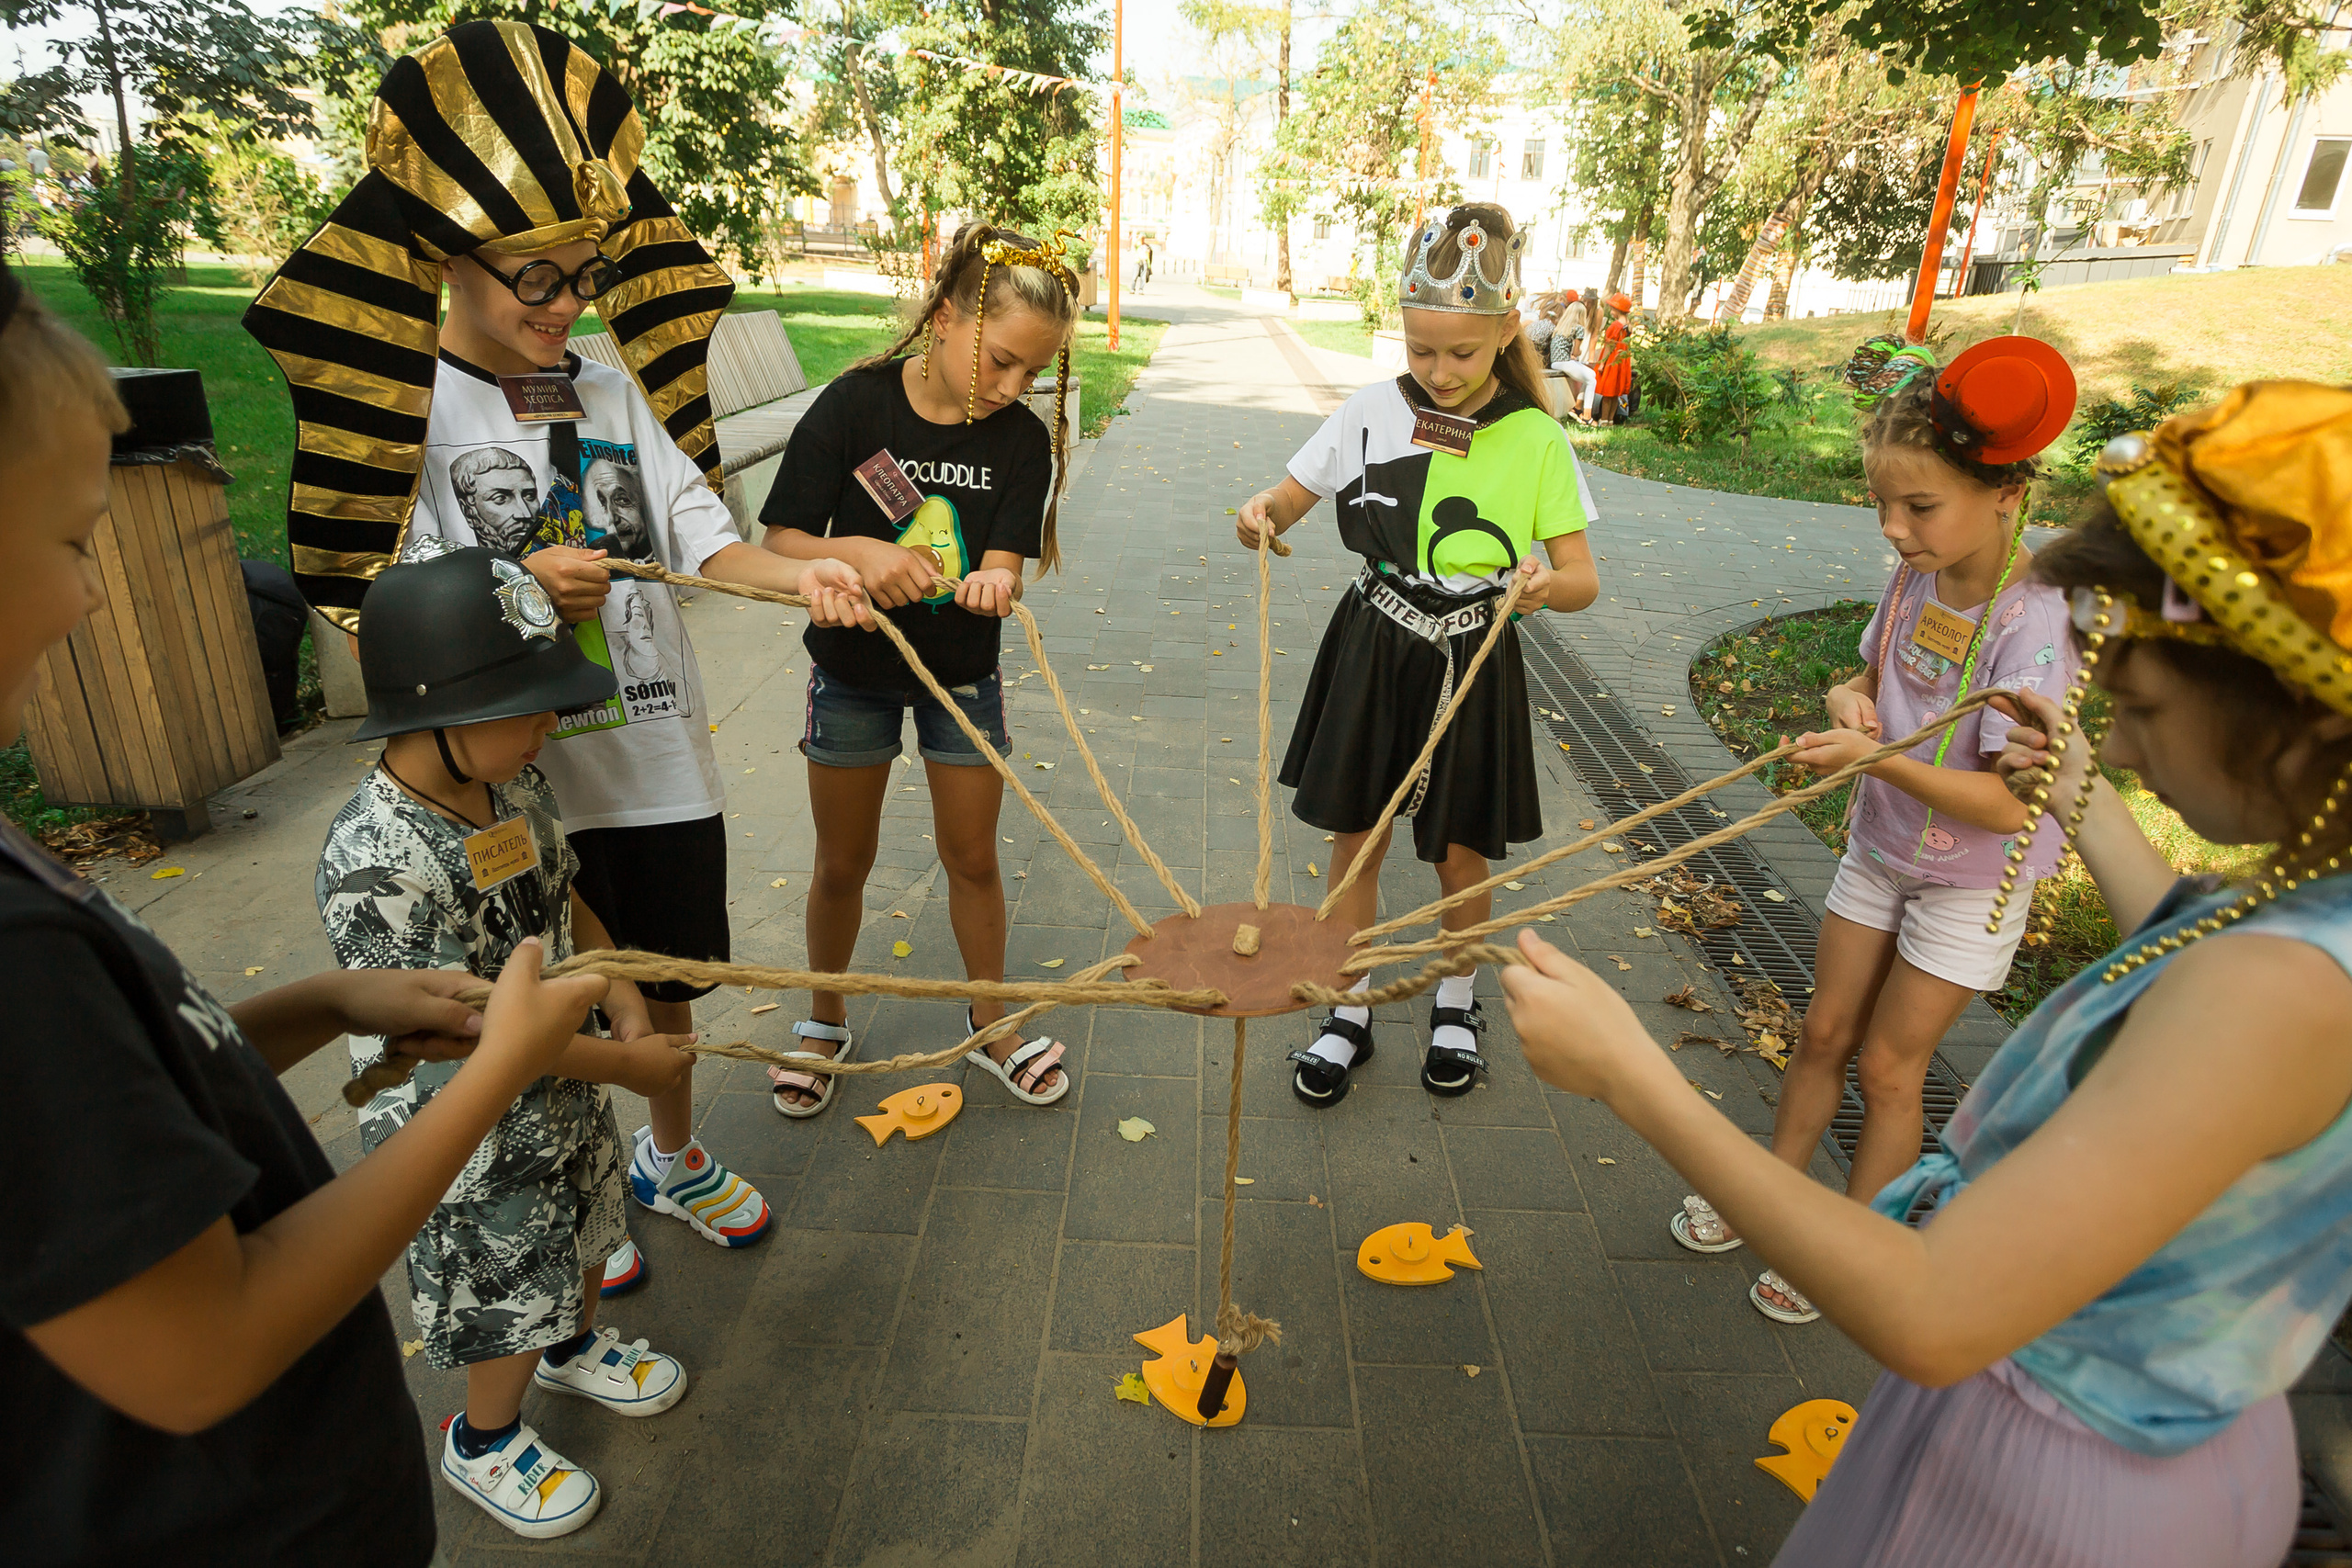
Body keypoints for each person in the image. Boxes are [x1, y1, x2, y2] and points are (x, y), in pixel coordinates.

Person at [1504, 378, 2352, 1566]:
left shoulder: (2283, 992)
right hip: (2126, 1438)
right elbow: (2183, 935)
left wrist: (1633, 1076)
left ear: (2307, 722)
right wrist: (2079, 797)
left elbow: (1937, 1309)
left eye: (2145, 706)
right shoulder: (2313, 918)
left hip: (2063, 1486)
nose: (2114, 731)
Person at [245, 20, 868, 1290]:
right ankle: (579, 1194)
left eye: (584, 272)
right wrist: (520, 584)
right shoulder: (411, 417)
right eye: (537, 278)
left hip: (656, 754)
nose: (569, 303)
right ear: (446, 257)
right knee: (557, 993)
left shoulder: (609, 387)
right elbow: (394, 606)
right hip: (525, 778)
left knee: (673, 976)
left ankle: (673, 1157)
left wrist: (805, 575)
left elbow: (699, 532)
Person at [2, 270, 608, 1563]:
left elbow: (134, 1081)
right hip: (236, 1521)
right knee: (505, 1267)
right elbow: (200, 1346)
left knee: (562, 1243)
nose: (92, 598)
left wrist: (320, 1001)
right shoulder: (15, 952)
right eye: (68, 544)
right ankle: (490, 1432)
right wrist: (504, 1057)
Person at [1668, 338, 2081, 1325]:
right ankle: (1771, 1200)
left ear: (2006, 492)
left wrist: (1873, 760)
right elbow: (1866, 679)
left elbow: (2008, 803)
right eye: (1881, 507)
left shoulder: (2033, 627)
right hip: (1882, 848)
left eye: (1919, 508)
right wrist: (1849, 703)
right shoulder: (1914, 579)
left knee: (1891, 1069)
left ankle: (1850, 1254)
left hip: (1968, 881)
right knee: (1820, 1032)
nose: (1895, 531)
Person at [319, 546, 712, 1538]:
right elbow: (467, 1035)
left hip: (563, 1085)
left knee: (585, 1223)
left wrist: (614, 976)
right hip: (470, 1126)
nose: (553, 723)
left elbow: (565, 886)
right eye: (533, 705)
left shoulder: (514, 787)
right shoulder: (377, 857)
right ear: (437, 714)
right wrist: (624, 1061)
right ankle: (485, 1437)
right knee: (508, 1278)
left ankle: (573, 1346)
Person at [1233, 203, 1600, 1107]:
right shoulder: (1367, 412)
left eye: (1460, 355)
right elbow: (1288, 497)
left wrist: (1541, 588)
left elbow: (1582, 576)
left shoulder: (1535, 435)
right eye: (1419, 350)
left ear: (1505, 331)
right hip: (1373, 642)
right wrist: (1258, 518)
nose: (1437, 373)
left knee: (1459, 850)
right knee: (1354, 841)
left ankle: (1453, 1002)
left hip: (1473, 654)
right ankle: (1348, 1010)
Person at [759, 222, 1083, 1114]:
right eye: (1004, 361)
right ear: (946, 319)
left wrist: (991, 583)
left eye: (1033, 373)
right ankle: (823, 1019)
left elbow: (1007, 564)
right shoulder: (856, 406)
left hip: (961, 679)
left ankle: (992, 1024)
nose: (1014, 388)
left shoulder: (1018, 439)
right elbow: (781, 538)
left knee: (972, 855)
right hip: (852, 673)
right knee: (841, 861)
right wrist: (859, 551)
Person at [1549, 289, 1596, 424]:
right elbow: (1576, 352)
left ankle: (1577, 408)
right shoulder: (1578, 328)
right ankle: (1587, 416)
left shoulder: (1561, 326)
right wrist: (1578, 354)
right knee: (1592, 381)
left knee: (1591, 375)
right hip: (1565, 362)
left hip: (1555, 362)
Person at [1589, 292, 1636, 423]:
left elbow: (1609, 346)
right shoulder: (1628, 325)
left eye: (1612, 308)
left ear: (1617, 309)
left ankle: (1603, 420)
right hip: (1622, 361)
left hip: (1612, 361)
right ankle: (1610, 420)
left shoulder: (1615, 326)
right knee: (1616, 393)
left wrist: (1603, 363)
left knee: (1607, 394)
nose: (1611, 311)